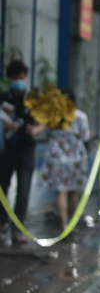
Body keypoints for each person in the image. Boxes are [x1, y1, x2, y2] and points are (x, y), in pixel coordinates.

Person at [0, 60, 45, 243]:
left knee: (24, 189)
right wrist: (5, 125)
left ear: (26, 77)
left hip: (26, 149)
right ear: (9, 79)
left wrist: (35, 130)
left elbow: (43, 122)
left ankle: (18, 229)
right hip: (6, 151)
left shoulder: (34, 99)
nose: (19, 81)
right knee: (2, 188)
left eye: (21, 78)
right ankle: (2, 223)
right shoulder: (3, 99)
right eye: (15, 78)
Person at [38, 89, 90, 231]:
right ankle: (73, 223)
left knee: (61, 192)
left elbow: (47, 134)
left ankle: (63, 224)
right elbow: (85, 136)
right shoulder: (80, 116)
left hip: (57, 159)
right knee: (73, 192)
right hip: (76, 159)